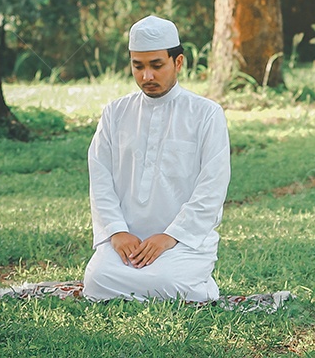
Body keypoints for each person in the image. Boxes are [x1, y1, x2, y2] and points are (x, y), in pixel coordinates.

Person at [83, 15, 231, 302]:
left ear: (178, 62)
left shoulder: (206, 114)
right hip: (128, 241)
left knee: (169, 281)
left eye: (156, 65)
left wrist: (169, 237)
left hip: (183, 240)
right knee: (97, 280)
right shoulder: (115, 113)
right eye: (138, 66)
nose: (147, 76)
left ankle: (194, 284)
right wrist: (117, 232)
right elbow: (100, 179)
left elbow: (212, 188)